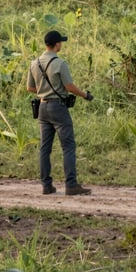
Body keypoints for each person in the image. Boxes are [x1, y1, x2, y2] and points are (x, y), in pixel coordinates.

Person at [26, 29, 94, 196]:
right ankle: (71, 185)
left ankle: (46, 185)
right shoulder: (60, 63)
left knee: (44, 148)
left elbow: (30, 88)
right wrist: (85, 95)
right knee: (68, 146)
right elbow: (69, 86)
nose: (61, 44)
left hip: (42, 108)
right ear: (57, 44)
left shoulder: (35, 63)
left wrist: (44, 92)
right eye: (60, 42)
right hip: (58, 108)